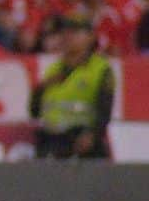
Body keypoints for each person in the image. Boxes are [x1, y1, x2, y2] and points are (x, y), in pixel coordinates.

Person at [30, 13, 115, 158]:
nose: (67, 37)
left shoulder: (100, 70)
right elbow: (35, 111)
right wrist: (40, 89)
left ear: (90, 37)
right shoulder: (54, 69)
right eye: (65, 32)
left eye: (75, 32)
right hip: (52, 142)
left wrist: (92, 135)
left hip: (81, 143)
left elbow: (104, 112)